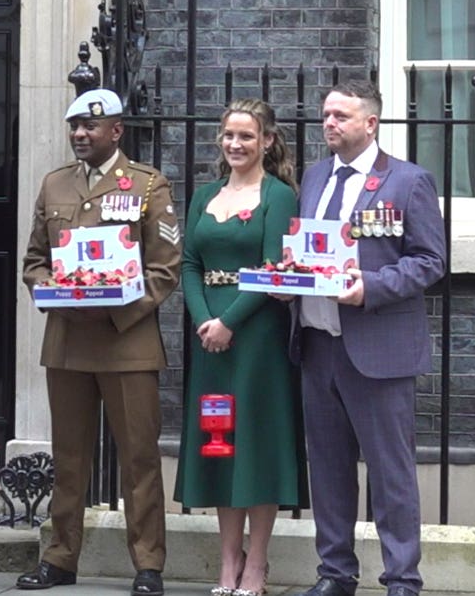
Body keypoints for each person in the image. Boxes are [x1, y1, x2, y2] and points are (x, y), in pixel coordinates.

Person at [17, 88, 182, 596]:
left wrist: (114, 307)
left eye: (91, 127)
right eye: (75, 128)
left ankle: (148, 565)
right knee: (68, 457)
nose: (80, 135)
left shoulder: (148, 186)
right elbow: (34, 261)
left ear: (116, 131)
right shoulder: (54, 185)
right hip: (67, 341)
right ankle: (61, 559)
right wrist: (53, 289)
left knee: (138, 458)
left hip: (126, 343)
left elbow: (165, 269)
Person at [290, 80, 445, 596]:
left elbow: (430, 261)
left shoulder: (407, 181)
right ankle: (335, 574)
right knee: (329, 471)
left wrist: (371, 287)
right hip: (317, 344)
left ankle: (402, 579)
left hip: (378, 349)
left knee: (390, 473)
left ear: (370, 123)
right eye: (326, 115)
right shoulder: (314, 177)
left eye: (341, 116)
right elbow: (309, 250)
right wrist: (287, 280)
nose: (329, 123)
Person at [173, 98, 308, 596]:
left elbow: (274, 267)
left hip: (257, 338)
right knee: (219, 442)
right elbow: (189, 262)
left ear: (267, 141)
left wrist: (229, 321)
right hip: (211, 340)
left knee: (256, 443)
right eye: (229, 135)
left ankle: (257, 565)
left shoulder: (279, 196)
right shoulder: (205, 194)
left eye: (247, 136)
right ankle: (227, 563)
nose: (235, 144)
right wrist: (204, 318)